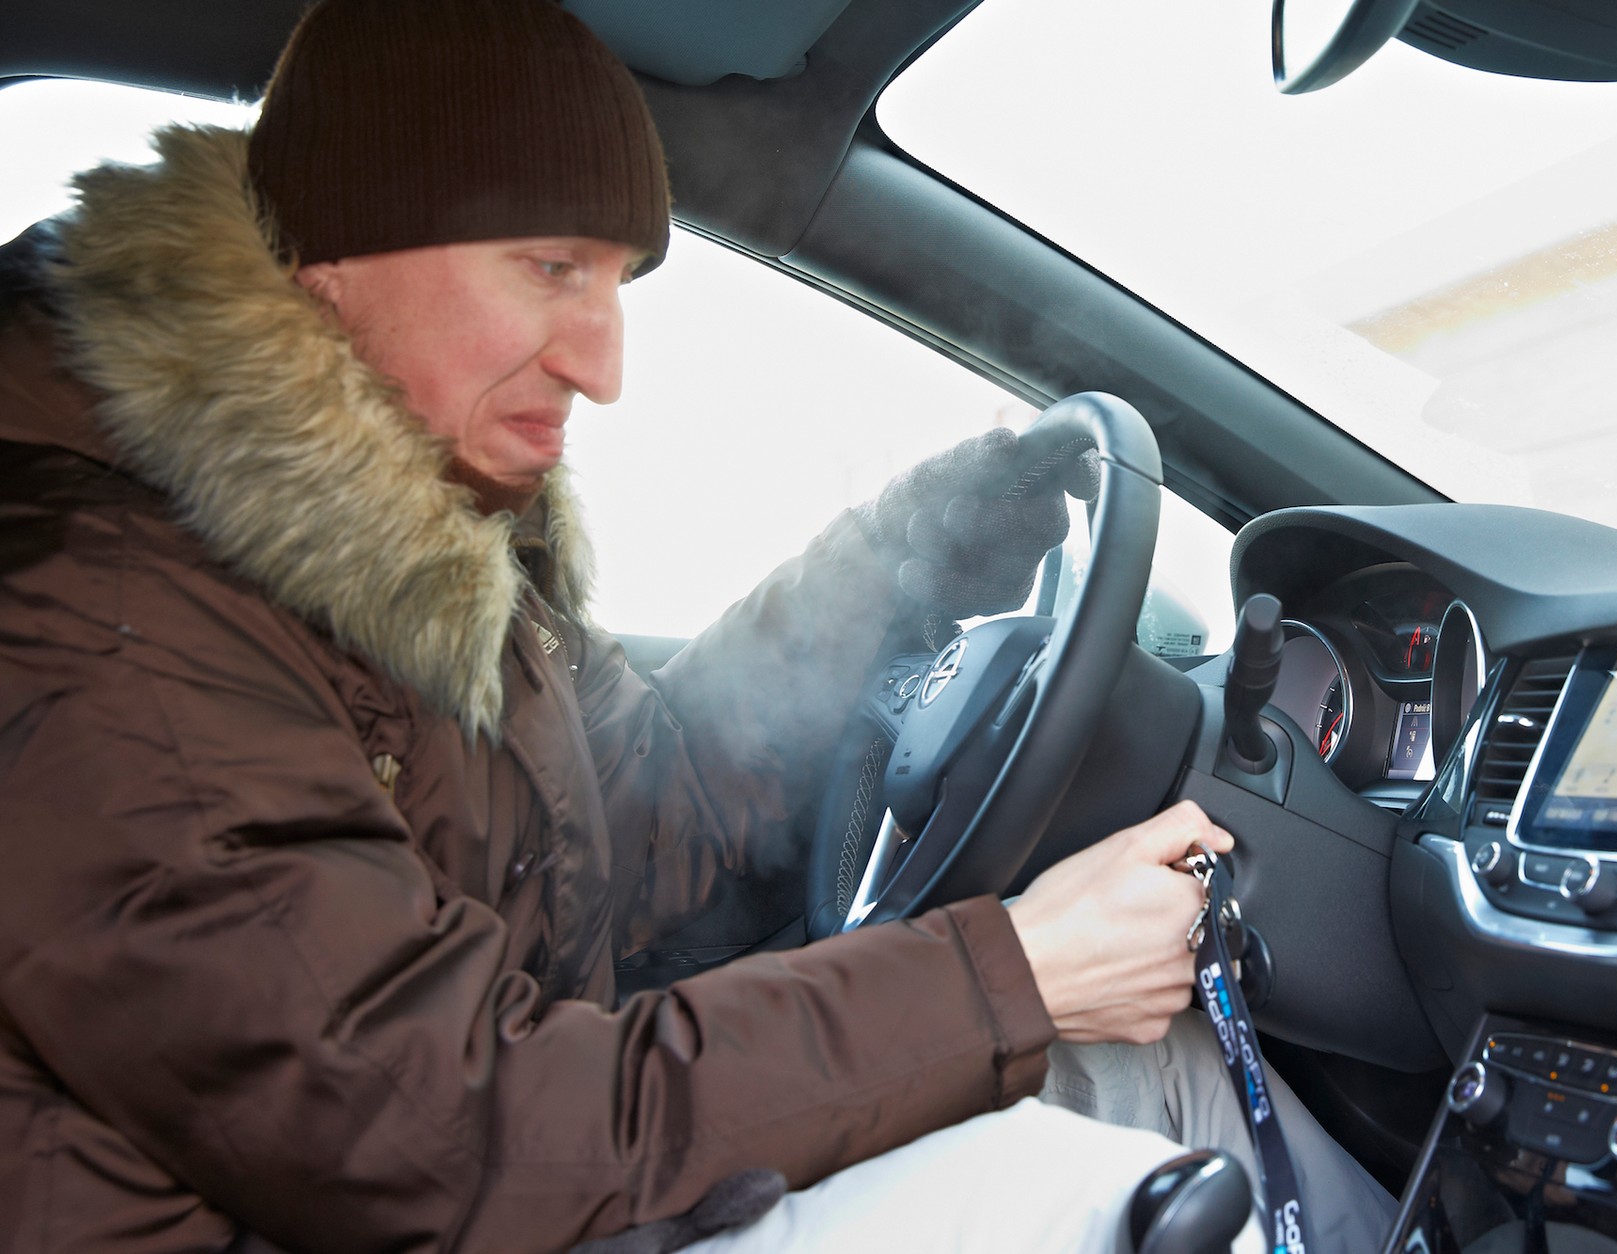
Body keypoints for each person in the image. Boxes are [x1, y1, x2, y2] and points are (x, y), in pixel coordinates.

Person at [0, 1, 1397, 1251]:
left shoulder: (424, 533)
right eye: (550, 266)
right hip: (453, 1192)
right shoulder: (90, 617)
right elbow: (442, 1135)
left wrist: (918, 553)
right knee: (1056, 1187)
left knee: (1157, 1058)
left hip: (540, 1171)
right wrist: (1015, 970)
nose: (605, 364)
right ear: (330, 259)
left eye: (615, 280)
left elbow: (655, 816)